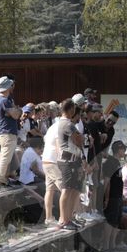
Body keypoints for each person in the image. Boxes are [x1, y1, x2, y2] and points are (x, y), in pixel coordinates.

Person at [55, 98, 84, 231]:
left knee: (73, 191)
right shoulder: (68, 124)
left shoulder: (64, 123)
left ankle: (69, 218)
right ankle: (63, 220)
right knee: (66, 190)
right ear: (70, 109)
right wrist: (83, 138)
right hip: (67, 161)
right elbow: (79, 140)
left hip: (71, 160)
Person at [0, 75, 21, 187]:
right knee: (5, 158)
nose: (13, 86)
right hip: (7, 134)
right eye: (11, 84)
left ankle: (6, 178)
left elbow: (13, 113)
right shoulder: (4, 100)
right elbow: (16, 115)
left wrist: (14, 111)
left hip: (6, 134)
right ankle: (0, 182)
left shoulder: (3, 99)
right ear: (8, 86)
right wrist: (18, 110)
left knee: (7, 157)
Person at [41, 111, 62, 225]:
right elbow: (59, 147)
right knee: (65, 190)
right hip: (54, 161)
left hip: (46, 160)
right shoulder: (60, 128)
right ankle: (65, 218)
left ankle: (49, 218)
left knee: (49, 190)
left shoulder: (51, 128)